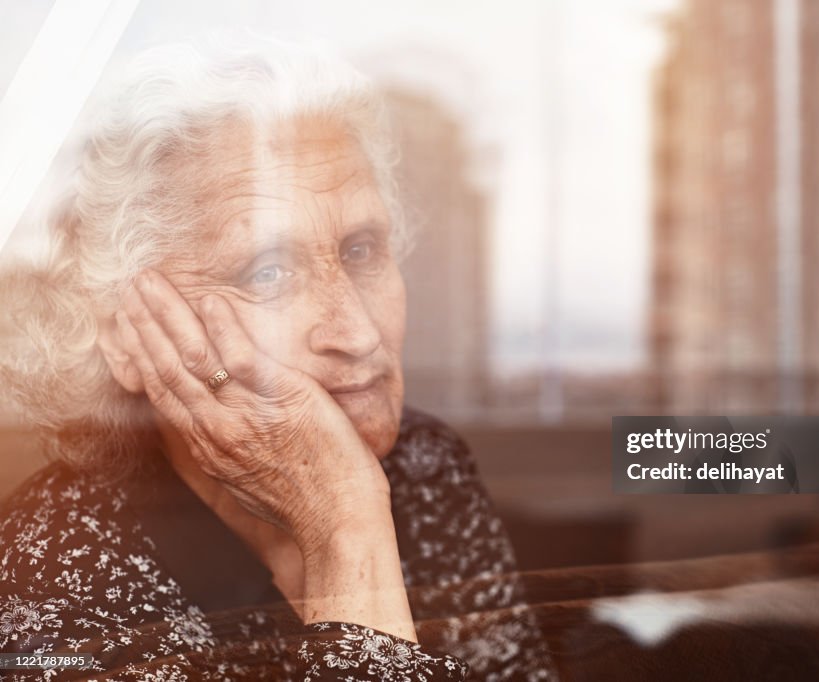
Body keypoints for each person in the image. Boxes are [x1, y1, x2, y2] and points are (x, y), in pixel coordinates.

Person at [0, 35, 554, 681]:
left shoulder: (427, 467)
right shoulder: (48, 593)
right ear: (123, 332)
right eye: (267, 272)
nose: (358, 333)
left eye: (360, 251)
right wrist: (347, 534)